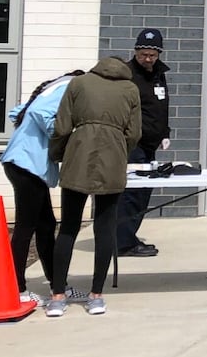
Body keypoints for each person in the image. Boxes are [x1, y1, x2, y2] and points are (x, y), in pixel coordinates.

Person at [46, 56, 140, 317]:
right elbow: (134, 133)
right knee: (105, 227)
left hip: (79, 152)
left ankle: (57, 296)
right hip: (113, 155)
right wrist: (120, 149)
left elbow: (62, 125)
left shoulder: (79, 83)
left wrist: (57, 153)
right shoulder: (130, 89)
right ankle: (96, 295)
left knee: (68, 227)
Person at [2, 70, 89, 305]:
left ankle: (58, 285)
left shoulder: (52, 89)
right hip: (27, 165)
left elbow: (16, 113)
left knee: (46, 226)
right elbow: (40, 113)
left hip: (25, 164)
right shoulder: (69, 87)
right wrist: (64, 135)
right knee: (25, 228)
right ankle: (17, 290)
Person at [117, 28, 170, 258]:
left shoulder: (159, 74)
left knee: (143, 193)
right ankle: (123, 242)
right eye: (143, 54)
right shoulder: (127, 75)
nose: (147, 59)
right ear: (135, 51)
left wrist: (164, 132)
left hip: (150, 144)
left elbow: (160, 106)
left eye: (152, 55)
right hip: (133, 144)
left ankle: (128, 236)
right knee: (131, 193)